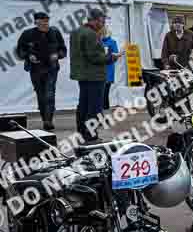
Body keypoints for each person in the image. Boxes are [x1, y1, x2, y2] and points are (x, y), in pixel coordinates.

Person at [70, 9, 118, 142]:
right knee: (94, 107)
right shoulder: (91, 34)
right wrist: (111, 57)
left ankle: (81, 132)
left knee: (83, 105)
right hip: (94, 76)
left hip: (82, 75)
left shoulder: (76, 32)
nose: (103, 24)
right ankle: (91, 135)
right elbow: (95, 57)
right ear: (95, 20)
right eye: (102, 21)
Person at [16, 12, 67, 130]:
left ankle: (48, 121)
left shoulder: (55, 32)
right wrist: (28, 56)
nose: (45, 24)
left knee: (49, 93)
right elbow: (20, 50)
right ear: (36, 22)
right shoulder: (27, 34)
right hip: (35, 69)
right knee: (41, 94)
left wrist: (57, 55)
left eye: (46, 21)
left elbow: (63, 50)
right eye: (42, 22)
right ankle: (44, 118)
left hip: (51, 68)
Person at [100, 25, 120, 110]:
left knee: (105, 93)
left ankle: (105, 111)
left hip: (108, 71)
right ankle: (100, 112)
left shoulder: (112, 42)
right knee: (100, 93)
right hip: (99, 71)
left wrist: (107, 57)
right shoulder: (98, 42)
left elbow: (115, 56)